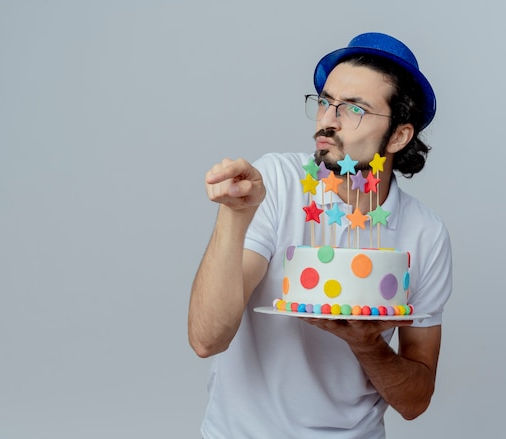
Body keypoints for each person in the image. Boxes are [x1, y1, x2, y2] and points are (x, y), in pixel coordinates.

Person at [188, 32, 452, 439]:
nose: (328, 120)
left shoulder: (425, 234)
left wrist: (368, 344)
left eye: (353, 108)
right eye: (325, 102)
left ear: (399, 135)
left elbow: (415, 402)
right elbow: (206, 338)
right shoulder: (274, 181)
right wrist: (236, 214)